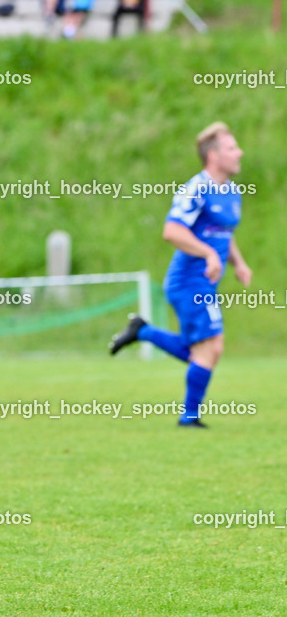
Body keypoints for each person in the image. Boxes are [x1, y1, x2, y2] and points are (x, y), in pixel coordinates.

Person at [110, 122, 249, 428]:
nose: (239, 152)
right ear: (213, 156)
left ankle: (142, 332)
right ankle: (189, 417)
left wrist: (238, 262)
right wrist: (210, 254)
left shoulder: (232, 192)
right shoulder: (197, 189)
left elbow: (225, 232)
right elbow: (172, 230)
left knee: (202, 350)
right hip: (188, 282)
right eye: (231, 147)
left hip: (205, 281)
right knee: (211, 347)